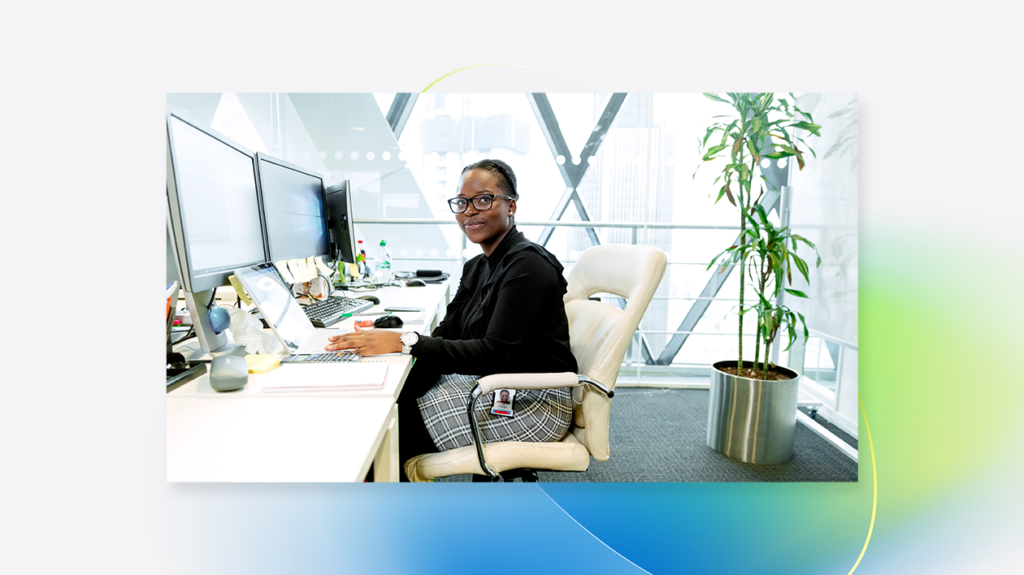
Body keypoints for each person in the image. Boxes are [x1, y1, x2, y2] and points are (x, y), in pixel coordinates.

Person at [324, 159, 578, 480]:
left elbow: (495, 353)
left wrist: (404, 343)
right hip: (495, 384)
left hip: (533, 401)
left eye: (483, 200)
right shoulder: (478, 266)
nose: (469, 211)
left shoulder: (527, 266)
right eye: (461, 203)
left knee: (390, 430)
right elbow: (448, 331)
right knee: (391, 403)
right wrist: (398, 367)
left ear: (510, 206)